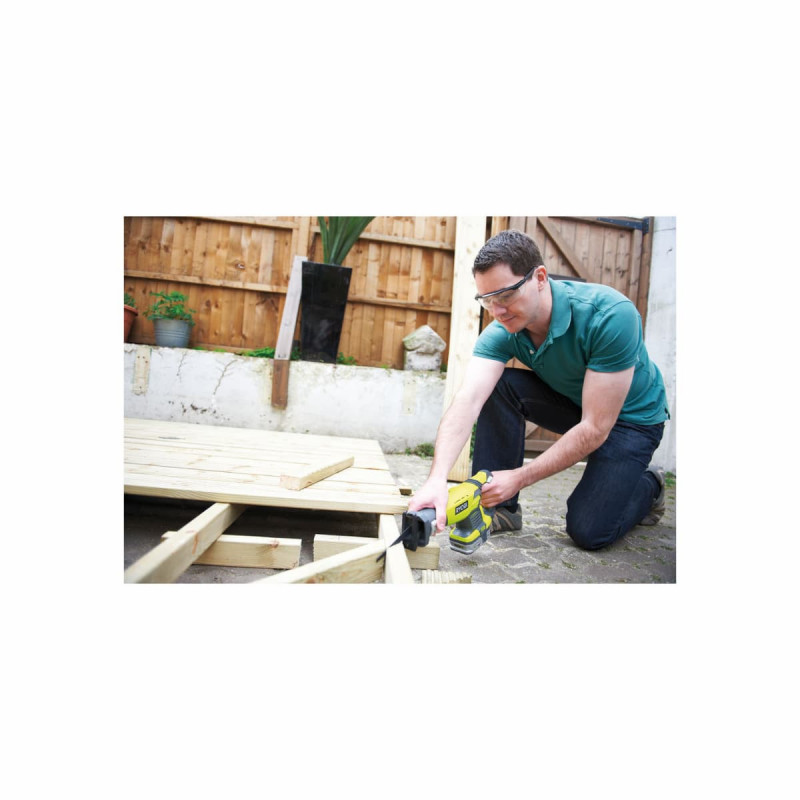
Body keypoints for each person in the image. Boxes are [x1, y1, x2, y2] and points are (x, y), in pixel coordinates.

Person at [408, 229, 670, 551]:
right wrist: (437, 479)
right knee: (497, 386)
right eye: (487, 300)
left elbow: (596, 427)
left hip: (632, 421)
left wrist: (520, 476)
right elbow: (468, 400)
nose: (497, 311)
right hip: (579, 405)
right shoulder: (503, 330)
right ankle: (500, 508)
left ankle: (651, 485)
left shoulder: (610, 315)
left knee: (589, 531)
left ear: (540, 278)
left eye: (505, 296)